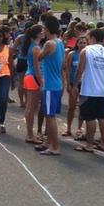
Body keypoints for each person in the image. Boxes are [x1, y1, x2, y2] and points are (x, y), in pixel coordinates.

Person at [74, 27, 104, 153]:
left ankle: (89, 144)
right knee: (103, 116)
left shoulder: (86, 51)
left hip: (89, 89)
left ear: (92, 38)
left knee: (90, 118)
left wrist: (75, 84)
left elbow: (79, 70)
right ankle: (103, 142)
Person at [36, 15, 65, 156]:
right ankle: (48, 142)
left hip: (50, 85)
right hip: (56, 83)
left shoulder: (49, 44)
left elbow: (39, 57)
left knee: (50, 116)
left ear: (47, 29)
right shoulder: (59, 42)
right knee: (49, 115)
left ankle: (55, 146)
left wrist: (41, 42)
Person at [62, 32, 86, 138]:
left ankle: (79, 128)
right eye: (81, 43)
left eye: (85, 43)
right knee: (71, 107)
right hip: (73, 83)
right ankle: (68, 128)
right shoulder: (72, 54)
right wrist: (67, 83)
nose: (83, 45)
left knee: (82, 107)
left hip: (84, 84)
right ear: (77, 44)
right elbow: (67, 70)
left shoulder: (88, 54)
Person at [22, 24, 44, 144]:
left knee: (32, 106)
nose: (44, 32)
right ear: (37, 34)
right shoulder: (35, 48)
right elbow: (36, 67)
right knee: (31, 107)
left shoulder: (34, 46)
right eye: (42, 31)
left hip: (30, 76)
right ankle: (30, 135)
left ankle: (30, 134)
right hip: (33, 76)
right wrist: (41, 81)